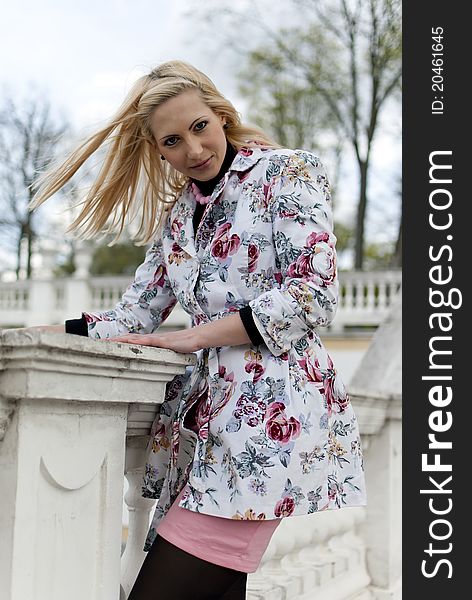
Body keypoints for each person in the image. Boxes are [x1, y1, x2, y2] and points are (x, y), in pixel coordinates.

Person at [29, 60, 367, 599]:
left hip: (271, 431)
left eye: (199, 127)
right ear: (158, 150)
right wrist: (42, 333)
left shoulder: (287, 173)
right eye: (172, 141)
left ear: (220, 115)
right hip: (204, 442)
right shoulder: (179, 219)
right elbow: (133, 317)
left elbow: (313, 294)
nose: (193, 149)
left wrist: (192, 337)